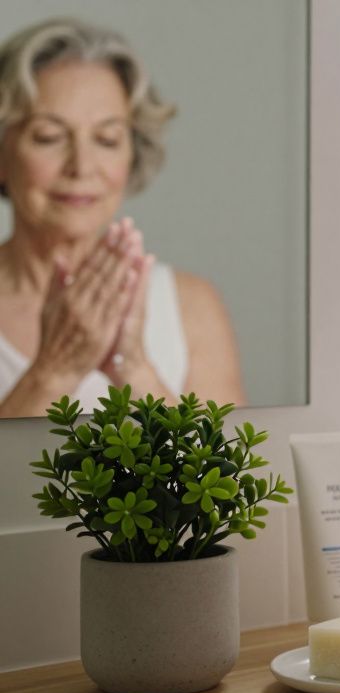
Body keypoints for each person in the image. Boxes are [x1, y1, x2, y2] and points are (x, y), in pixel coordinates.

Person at [0, 18, 244, 418]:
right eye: (48, 137)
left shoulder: (193, 307)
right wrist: (52, 373)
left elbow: (230, 476)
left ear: (132, 154)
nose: (82, 166)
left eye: (107, 139)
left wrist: (131, 366)